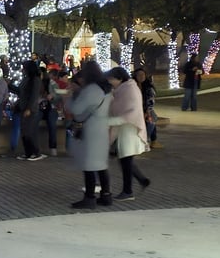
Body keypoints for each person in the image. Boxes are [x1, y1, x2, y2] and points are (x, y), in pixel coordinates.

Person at [66, 61, 113, 209]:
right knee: (101, 165)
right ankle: (106, 195)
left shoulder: (91, 89)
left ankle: (89, 197)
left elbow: (76, 108)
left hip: (91, 130)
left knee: (89, 165)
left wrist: (69, 97)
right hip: (102, 128)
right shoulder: (106, 89)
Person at [106, 67, 151, 201]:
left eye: (111, 79)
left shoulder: (129, 89)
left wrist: (110, 121)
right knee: (125, 159)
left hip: (129, 129)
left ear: (120, 78)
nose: (110, 81)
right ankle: (141, 180)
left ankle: (128, 191)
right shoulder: (123, 89)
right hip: (125, 129)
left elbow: (130, 112)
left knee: (126, 159)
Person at [15, 60, 46, 161]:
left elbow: (34, 96)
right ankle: (28, 152)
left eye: (24, 68)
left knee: (30, 131)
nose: (23, 70)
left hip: (31, 109)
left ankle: (35, 152)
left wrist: (29, 108)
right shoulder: (26, 79)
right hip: (23, 107)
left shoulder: (35, 80)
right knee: (24, 131)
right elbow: (20, 91)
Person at [134, 68, 162, 149]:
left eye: (143, 74)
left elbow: (151, 102)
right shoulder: (133, 86)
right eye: (139, 74)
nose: (141, 76)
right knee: (152, 119)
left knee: (151, 119)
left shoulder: (149, 87)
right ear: (135, 76)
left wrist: (146, 112)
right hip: (135, 109)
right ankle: (153, 140)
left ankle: (146, 139)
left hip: (145, 109)